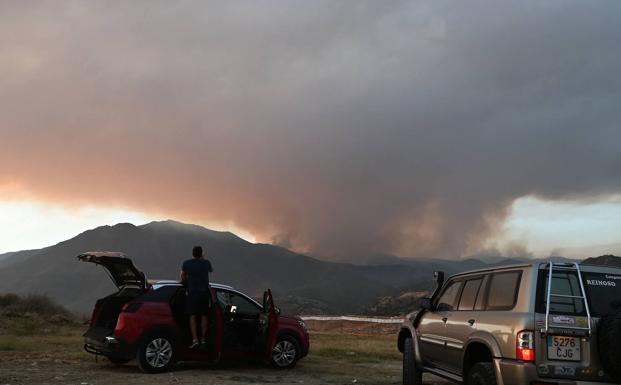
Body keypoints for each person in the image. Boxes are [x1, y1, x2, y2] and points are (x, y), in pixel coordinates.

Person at [180, 246, 213, 349]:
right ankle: (203, 339)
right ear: (201, 253)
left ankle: (195, 340)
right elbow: (211, 270)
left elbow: (182, 276)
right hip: (204, 293)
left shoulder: (186, 263)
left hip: (192, 293)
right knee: (204, 316)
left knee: (192, 316)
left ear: (192, 253)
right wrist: (203, 259)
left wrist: (185, 283)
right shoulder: (206, 263)